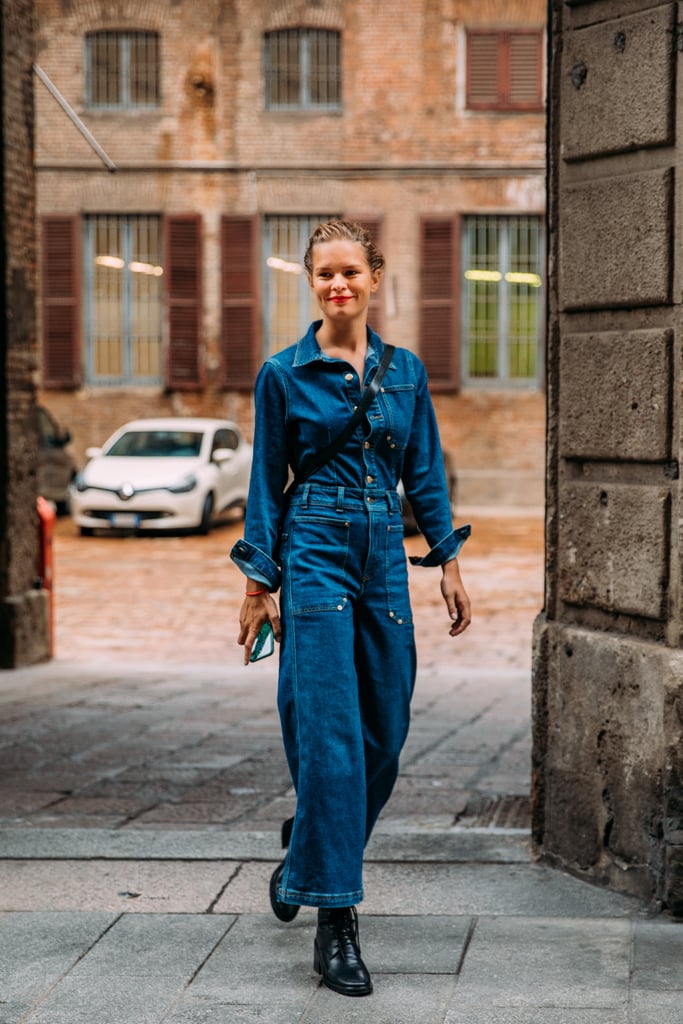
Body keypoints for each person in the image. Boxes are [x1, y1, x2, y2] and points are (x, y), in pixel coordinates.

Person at [231, 220, 471, 998]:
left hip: (382, 560)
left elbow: (425, 471)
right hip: (313, 552)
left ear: (374, 277)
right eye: (323, 274)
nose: (338, 285)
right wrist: (256, 585)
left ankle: (305, 847)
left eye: (350, 272)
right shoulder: (283, 373)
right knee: (329, 733)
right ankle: (336, 924)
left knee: (387, 733)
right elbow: (267, 482)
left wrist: (448, 564)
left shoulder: (404, 373)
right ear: (311, 284)